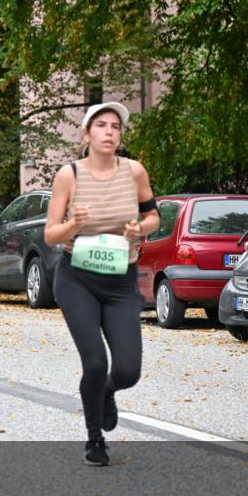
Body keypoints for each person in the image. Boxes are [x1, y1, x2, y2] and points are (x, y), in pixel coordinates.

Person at [44, 102, 159, 467]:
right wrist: (74, 224)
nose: (110, 132)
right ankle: (95, 438)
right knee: (94, 362)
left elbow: (153, 215)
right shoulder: (70, 175)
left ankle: (107, 392)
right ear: (87, 134)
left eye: (116, 127)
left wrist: (139, 229)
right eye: (101, 125)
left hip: (121, 281)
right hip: (77, 279)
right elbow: (50, 235)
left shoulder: (134, 172)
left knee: (127, 370)